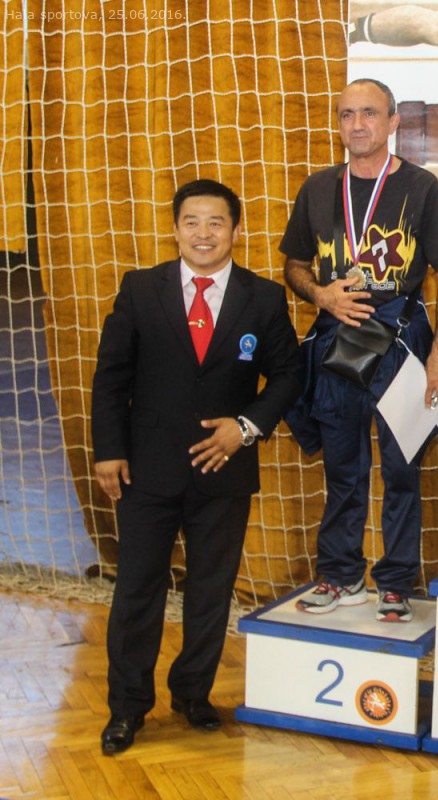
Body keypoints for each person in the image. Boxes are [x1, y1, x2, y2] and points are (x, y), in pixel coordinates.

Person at [91, 179, 302, 754]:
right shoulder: (141, 290)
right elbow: (111, 376)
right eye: (192, 221)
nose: (203, 233)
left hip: (224, 471)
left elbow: (289, 374)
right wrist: (108, 450)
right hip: (145, 470)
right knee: (137, 591)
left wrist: (246, 427)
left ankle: (193, 693)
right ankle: (126, 708)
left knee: (211, 590)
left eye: (216, 222)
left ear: (236, 230)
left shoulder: (263, 298)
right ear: (175, 228)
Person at [281, 78, 438, 622]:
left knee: (402, 470)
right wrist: (321, 294)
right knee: (343, 467)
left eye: (369, 113)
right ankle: (340, 575)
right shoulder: (318, 188)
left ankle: (396, 583)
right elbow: (294, 265)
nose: (357, 124)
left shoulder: (420, 186)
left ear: (392, 123)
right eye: (346, 114)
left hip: (402, 340)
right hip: (340, 341)